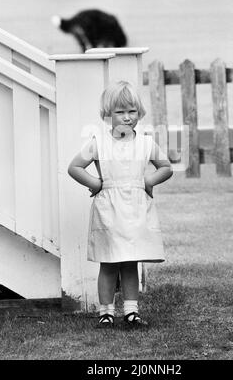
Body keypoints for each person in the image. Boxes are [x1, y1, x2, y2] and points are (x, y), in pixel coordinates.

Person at [68, 81, 173, 328]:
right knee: (109, 262)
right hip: (109, 210)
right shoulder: (98, 142)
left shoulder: (146, 142)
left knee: (130, 261)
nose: (127, 118)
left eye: (132, 112)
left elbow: (166, 167)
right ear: (108, 114)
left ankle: (131, 311)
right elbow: (74, 167)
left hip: (135, 210)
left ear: (139, 112)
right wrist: (94, 183)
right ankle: (106, 312)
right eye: (120, 112)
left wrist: (148, 181)